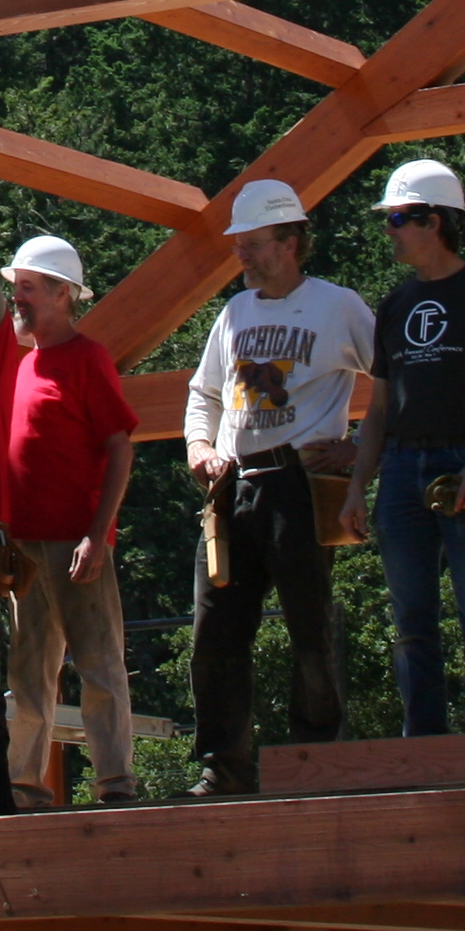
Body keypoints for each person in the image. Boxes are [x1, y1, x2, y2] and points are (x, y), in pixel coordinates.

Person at [179, 179, 374, 797]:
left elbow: (398, 379)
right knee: (216, 632)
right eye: (238, 243)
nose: (242, 254)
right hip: (233, 485)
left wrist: (358, 448)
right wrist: (199, 446)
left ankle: (315, 759)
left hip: (299, 482)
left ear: (290, 243)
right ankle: (223, 767)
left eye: (254, 243)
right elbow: (204, 393)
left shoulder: (338, 306)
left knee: (309, 625)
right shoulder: (235, 313)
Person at [338, 160, 465, 736]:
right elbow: (379, 409)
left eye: (399, 218)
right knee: (411, 623)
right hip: (402, 468)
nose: (389, 229)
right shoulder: (395, 304)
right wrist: (358, 486)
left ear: (436, 221)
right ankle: (422, 741)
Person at [0, 234, 142, 808]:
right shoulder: (22, 365)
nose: (18, 299)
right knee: (28, 672)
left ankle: (115, 785)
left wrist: (97, 535)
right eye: (17, 288)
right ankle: (25, 787)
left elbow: (120, 446)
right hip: (24, 545)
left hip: (76, 543)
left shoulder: (87, 358)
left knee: (98, 663)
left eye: (29, 288)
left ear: (63, 294)